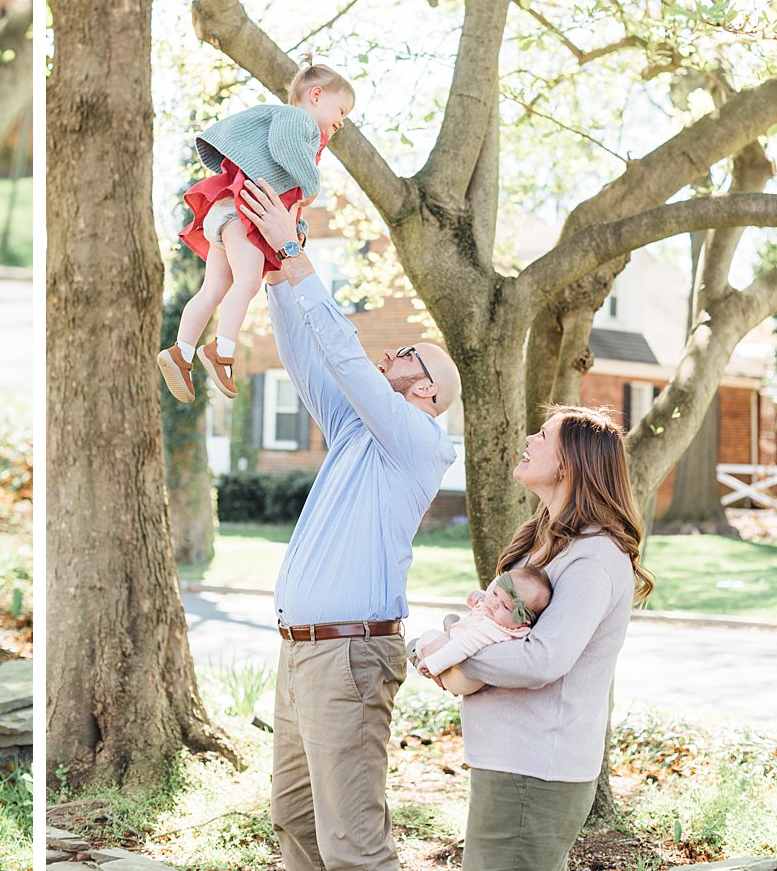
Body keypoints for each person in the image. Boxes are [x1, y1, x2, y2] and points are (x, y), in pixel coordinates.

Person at [237, 176, 461, 871]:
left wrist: (297, 251)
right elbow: (309, 362)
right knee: (295, 817)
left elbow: (345, 357)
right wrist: (275, 274)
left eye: (406, 357)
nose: (390, 355)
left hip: (351, 658)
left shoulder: (417, 441)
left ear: (426, 391)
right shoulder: (357, 431)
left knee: (355, 844)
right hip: (300, 651)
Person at [447, 406, 654, 871]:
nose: (527, 439)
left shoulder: (594, 555)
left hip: (536, 769)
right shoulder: (551, 541)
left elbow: (544, 659)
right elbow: (505, 629)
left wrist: (455, 658)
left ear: (569, 465)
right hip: (516, 765)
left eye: (542, 435)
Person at [157, 62, 354, 404]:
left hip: (225, 210)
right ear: (316, 95)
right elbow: (285, 148)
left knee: (214, 288)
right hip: (241, 213)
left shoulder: (300, 133)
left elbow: (288, 204)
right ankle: (222, 352)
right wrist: (312, 183)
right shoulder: (300, 122)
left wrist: (298, 231)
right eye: (341, 110)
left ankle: (180, 351)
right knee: (246, 282)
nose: (342, 121)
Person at [411, 567, 553, 691]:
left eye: (505, 606)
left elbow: (461, 647)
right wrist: (483, 596)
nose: (495, 603)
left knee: (429, 636)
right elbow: (497, 600)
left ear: (523, 622)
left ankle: (418, 654)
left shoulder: (492, 630)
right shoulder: (504, 620)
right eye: (495, 593)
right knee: (470, 620)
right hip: (466, 667)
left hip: (460, 678)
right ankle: (455, 629)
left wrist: (431, 664)